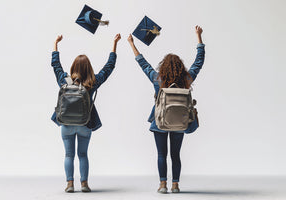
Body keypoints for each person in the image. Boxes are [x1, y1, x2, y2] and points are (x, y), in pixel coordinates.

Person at [127, 26, 205, 193]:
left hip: (159, 121)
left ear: (164, 66)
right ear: (180, 67)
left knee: (161, 154)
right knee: (175, 155)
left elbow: (143, 63)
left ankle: (163, 185)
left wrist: (132, 44)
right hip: (180, 122)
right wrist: (199, 38)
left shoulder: (158, 79)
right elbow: (199, 61)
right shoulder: (186, 80)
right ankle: (175, 185)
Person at [51, 33, 121, 193]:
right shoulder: (92, 83)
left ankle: (69, 184)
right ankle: (84, 184)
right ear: (88, 68)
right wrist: (114, 44)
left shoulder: (64, 80)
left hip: (66, 124)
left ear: (73, 67)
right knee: (82, 154)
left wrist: (56, 43)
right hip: (85, 124)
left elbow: (55, 65)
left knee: (68, 155)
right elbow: (109, 67)